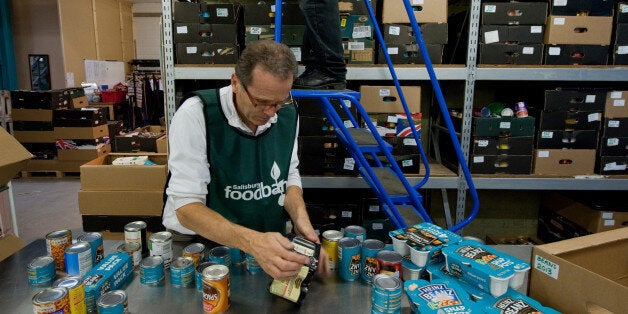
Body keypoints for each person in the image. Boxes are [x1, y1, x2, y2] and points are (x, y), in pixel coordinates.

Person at [162, 40, 329, 280]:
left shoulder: (288, 113)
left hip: (263, 242)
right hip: (201, 245)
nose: (271, 113)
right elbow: (187, 208)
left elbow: (288, 174)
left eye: (279, 102)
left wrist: (302, 222)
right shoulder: (196, 114)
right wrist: (253, 242)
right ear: (235, 83)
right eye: (261, 102)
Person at [292, 0, 347, 90]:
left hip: (329, 70)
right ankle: (316, 67)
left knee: (316, 3)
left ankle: (329, 71)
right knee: (312, 7)